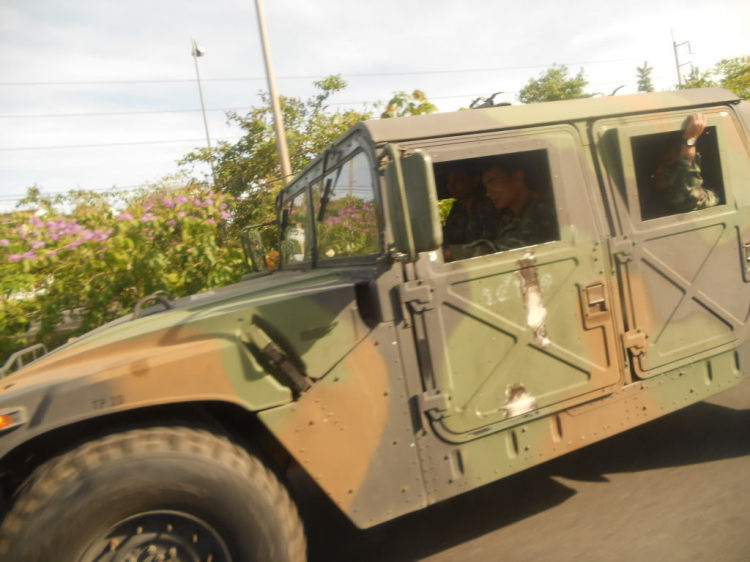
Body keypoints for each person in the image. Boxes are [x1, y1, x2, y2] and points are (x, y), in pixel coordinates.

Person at [446, 162, 558, 261]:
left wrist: (450, 253)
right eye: (486, 186)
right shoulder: (506, 216)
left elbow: (505, 251)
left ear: (518, 177)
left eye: (493, 182)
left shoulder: (543, 209)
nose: (488, 193)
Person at [651, 113, 718, 215]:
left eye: (666, 164)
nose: (658, 170)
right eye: (659, 164)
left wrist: (689, 140)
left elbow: (691, 196)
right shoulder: (657, 198)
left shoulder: (708, 197)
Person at [442, 167, 497, 246]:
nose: (450, 186)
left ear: (474, 180)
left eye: (457, 180)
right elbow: (447, 238)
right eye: (449, 181)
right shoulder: (456, 209)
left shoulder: (492, 203)